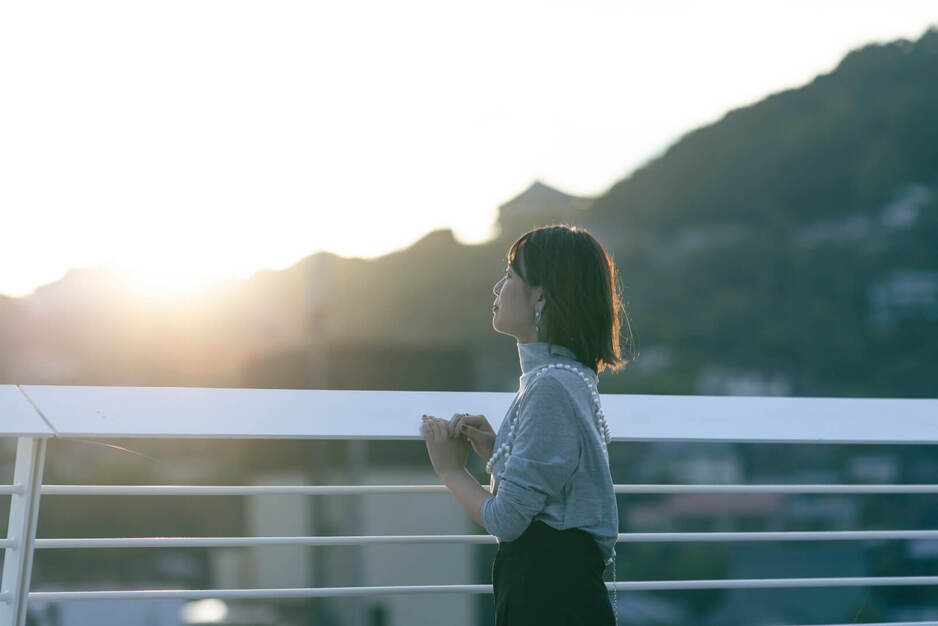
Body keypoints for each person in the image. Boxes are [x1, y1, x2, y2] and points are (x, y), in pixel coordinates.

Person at [421, 224, 636, 626]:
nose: (497, 289)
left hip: (547, 597)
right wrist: (500, 449)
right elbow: (558, 481)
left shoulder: (551, 386)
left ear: (540, 295)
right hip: (560, 591)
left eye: (509, 275)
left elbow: (507, 519)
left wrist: (451, 470)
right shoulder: (567, 377)